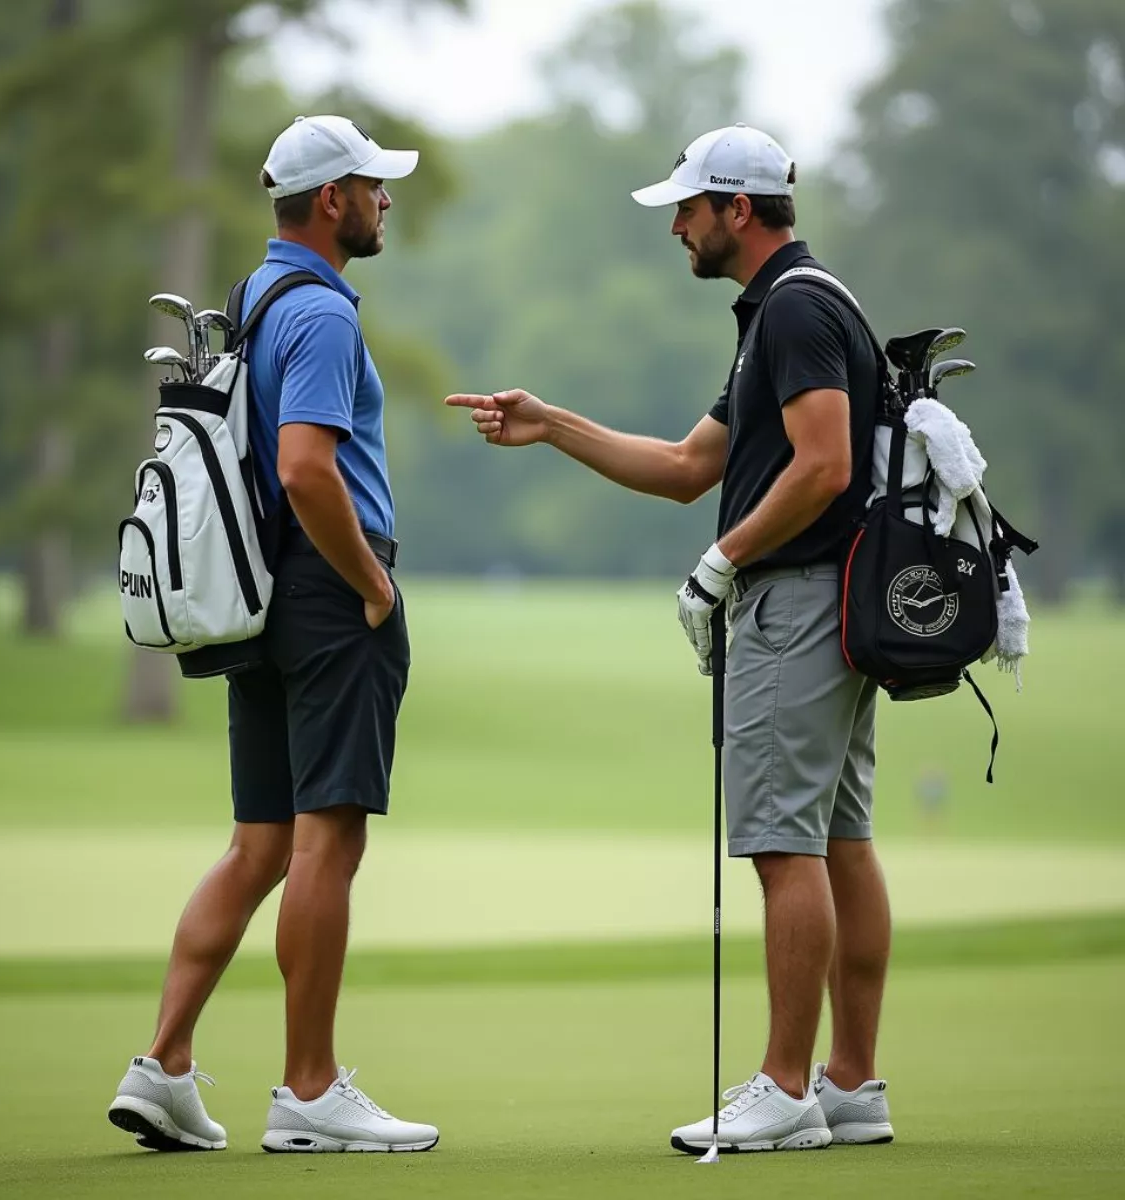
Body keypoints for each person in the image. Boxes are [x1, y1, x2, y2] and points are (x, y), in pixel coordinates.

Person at [446, 124, 895, 1154]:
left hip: (795, 608)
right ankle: (851, 1082)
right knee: (838, 840)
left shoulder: (790, 311)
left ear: (739, 210)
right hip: (838, 609)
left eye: (688, 209)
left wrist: (722, 560)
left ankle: (786, 1090)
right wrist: (553, 423)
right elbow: (690, 464)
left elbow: (822, 466)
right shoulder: (795, 309)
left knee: (786, 845)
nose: (678, 226)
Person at [108, 115, 437, 1155]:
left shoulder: (254, 299)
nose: (386, 199)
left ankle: (161, 1067)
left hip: (255, 596)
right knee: (325, 843)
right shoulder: (326, 318)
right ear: (330, 200)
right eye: (372, 186)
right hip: (327, 594)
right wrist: (372, 583)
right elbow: (305, 467)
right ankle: (309, 1089)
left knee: (259, 845)